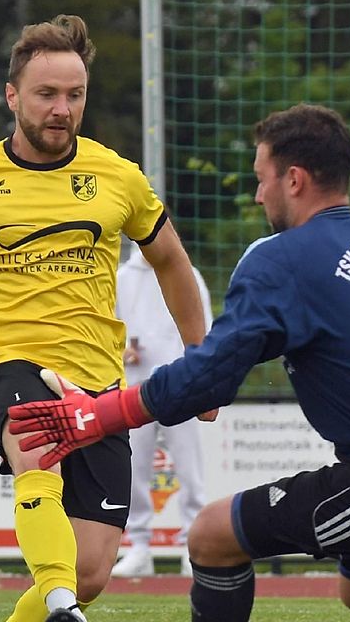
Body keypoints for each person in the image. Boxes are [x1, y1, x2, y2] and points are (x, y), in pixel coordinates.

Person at [9, 103, 350, 622]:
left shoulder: (283, 260)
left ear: (293, 180)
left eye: (261, 177)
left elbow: (206, 377)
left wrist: (97, 415)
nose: (256, 195)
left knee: (209, 535)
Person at [0, 15, 206, 622]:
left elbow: (172, 264)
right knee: (36, 452)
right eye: (46, 94)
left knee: (93, 571)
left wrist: (200, 358)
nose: (61, 109)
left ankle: (58, 600)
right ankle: (58, 605)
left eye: (74, 95)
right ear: (12, 96)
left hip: (98, 381)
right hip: (12, 359)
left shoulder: (118, 177)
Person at [112, 244, 212, 577]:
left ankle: (192, 545)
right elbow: (107, 327)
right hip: (135, 388)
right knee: (134, 468)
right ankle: (139, 547)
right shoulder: (122, 278)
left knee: (189, 469)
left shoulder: (189, 275)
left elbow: (206, 330)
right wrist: (121, 350)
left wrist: (202, 380)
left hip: (181, 387)